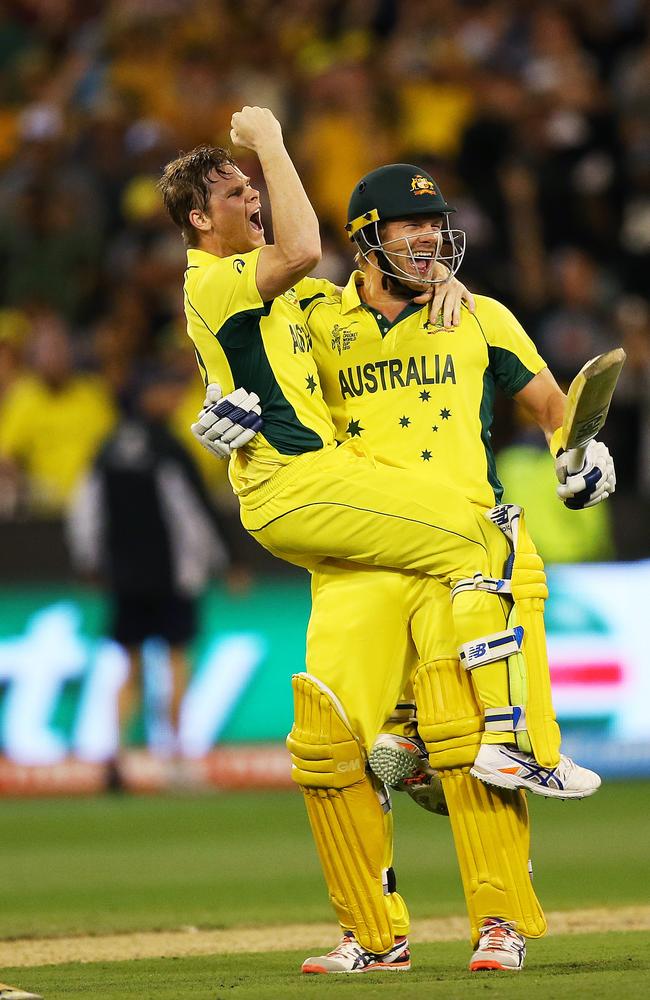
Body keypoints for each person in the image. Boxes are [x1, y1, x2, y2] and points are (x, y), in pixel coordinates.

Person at [188, 136, 615, 972]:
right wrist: (220, 402)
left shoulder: (480, 313)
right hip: (362, 556)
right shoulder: (315, 315)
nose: (429, 242)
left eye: (437, 227)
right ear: (367, 240)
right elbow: (246, 356)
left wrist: (583, 452)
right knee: (324, 744)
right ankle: (371, 936)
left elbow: (554, 408)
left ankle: (501, 923)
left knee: (468, 738)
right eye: (411, 227)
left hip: (456, 548)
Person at [67, 366, 231, 789]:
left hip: (124, 576)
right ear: (149, 395)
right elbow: (191, 512)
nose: (173, 399)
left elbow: (84, 507)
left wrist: (90, 560)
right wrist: (223, 560)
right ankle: (177, 762)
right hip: (170, 575)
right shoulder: (167, 447)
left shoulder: (108, 447)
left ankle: (116, 756)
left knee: (131, 667)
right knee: (176, 663)